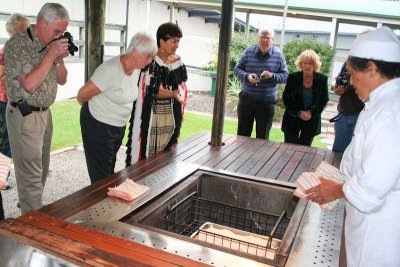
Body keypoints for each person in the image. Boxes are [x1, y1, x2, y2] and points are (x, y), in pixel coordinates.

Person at [305, 27, 400, 266]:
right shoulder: (382, 103)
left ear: (372, 68)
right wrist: (336, 178)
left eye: (353, 75)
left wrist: (334, 191)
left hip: (379, 234)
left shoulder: (390, 112)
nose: (351, 82)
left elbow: (372, 187)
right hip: (369, 225)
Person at [4, 3, 70, 214]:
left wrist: (59, 61)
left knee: (39, 172)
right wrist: (50, 55)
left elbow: (62, 81)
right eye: (57, 31)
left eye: (63, 31)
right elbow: (29, 85)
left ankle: (29, 211)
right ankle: (33, 231)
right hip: (25, 115)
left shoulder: (50, 43)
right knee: (30, 177)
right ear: (42, 22)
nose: (60, 36)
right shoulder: (19, 43)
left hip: (44, 114)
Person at [78, 32, 157, 184]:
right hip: (98, 124)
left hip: (117, 125)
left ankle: (106, 200)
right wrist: (99, 108)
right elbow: (82, 95)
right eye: (147, 56)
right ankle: (99, 203)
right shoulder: (110, 69)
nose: (150, 60)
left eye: (151, 57)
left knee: (109, 170)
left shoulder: (136, 68)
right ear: (134, 51)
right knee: (102, 176)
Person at [125, 22, 188, 166]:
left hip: (169, 120)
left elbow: (182, 85)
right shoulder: (150, 61)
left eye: (178, 41)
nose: (177, 45)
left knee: (165, 159)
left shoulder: (177, 62)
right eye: (173, 41)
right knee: (145, 157)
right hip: (151, 119)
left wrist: (178, 93)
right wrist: (173, 94)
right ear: (161, 41)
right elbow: (151, 90)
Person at [233, 26, 288, 140]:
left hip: (266, 102)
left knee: (262, 138)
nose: (264, 40)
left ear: (272, 39)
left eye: (267, 38)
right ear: (258, 38)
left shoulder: (278, 55)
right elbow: (237, 70)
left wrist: (271, 76)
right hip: (247, 100)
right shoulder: (248, 52)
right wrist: (247, 77)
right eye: (262, 37)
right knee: (242, 135)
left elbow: (285, 76)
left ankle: (261, 159)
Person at [0, 14, 30, 191]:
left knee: (25, 138)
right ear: (14, 30)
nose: (27, 32)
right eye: (23, 29)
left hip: (24, 102)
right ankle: (3, 176)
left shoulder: (26, 51)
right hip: (6, 103)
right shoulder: (4, 52)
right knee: (6, 142)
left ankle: (26, 173)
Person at [281, 50, 329, 146]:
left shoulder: (322, 79)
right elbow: (286, 98)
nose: (307, 66)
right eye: (305, 63)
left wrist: (310, 113)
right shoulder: (292, 77)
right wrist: (299, 113)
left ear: (315, 64)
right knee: (288, 150)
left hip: (311, 120)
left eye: (310, 63)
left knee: (305, 152)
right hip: (292, 119)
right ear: (300, 64)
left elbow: (324, 100)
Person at [331, 62, 364, 152]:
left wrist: (346, 88)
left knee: (355, 151)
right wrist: (338, 87)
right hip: (344, 114)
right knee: (338, 152)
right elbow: (339, 79)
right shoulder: (348, 62)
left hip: (359, 113)